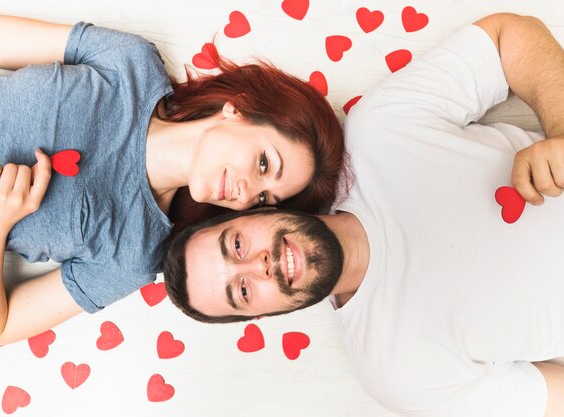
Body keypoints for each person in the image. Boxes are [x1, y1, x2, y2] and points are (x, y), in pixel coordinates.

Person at [162, 13, 564, 417]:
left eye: (236, 245)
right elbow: (552, 399)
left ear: (251, 211)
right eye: (243, 291)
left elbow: (505, 39)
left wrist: (562, 129)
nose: (259, 265)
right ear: (263, 315)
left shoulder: (380, 130)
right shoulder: (395, 375)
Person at [0, 13, 345, 346]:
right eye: (262, 164)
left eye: (262, 200)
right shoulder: (131, 64)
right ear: (236, 110)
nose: (246, 192)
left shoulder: (132, 254)